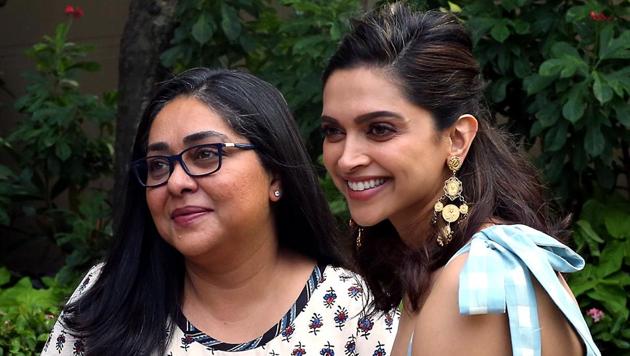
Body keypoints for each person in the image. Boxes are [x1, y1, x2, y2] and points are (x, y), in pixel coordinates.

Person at [42, 68, 398, 355]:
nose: (176, 182)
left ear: (275, 173)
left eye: (205, 155)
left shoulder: (356, 309)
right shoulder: (109, 292)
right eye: (158, 165)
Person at [320, 4, 600, 356]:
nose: (347, 159)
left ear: (456, 138)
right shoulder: (442, 262)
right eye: (333, 131)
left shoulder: (476, 284)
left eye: (379, 129)